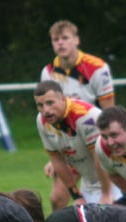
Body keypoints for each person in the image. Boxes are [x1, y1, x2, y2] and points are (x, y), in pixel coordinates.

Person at [40, 20, 115, 209]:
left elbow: (109, 112)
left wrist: (108, 145)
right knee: (57, 198)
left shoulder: (97, 67)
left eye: (65, 38)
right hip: (68, 140)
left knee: (106, 199)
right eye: (56, 39)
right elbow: (48, 114)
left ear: (76, 40)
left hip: (94, 139)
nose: (60, 43)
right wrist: (53, 157)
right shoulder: (48, 72)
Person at [35, 80, 119, 209]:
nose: (46, 110)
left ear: (63, 99)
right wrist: (76, 195)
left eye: (50, 103)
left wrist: (106, 194)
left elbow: (100, 157)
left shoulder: (85, 116)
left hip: (116, 180)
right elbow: (57, 159)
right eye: (40, 105)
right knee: (58, 200)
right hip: (89, 184)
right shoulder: (42, 121)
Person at [95, 105, 126, 202]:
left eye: (114, 135)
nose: (110, 143)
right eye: (104, 137)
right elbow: (115, 177)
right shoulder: (102, 148)